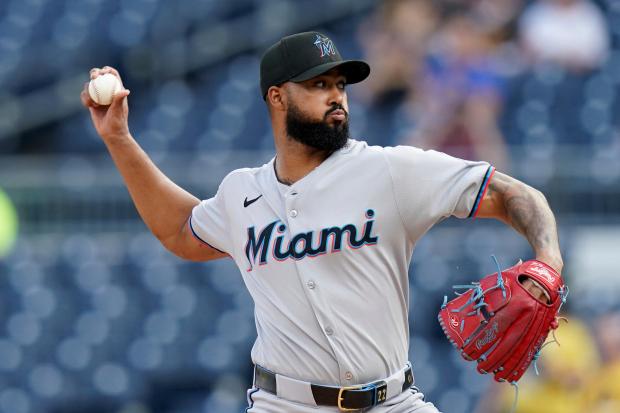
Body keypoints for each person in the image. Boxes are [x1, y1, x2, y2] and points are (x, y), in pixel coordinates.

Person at [81, 31, 563, 413]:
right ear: (277, 97)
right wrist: (119, 139)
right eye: (318, 85)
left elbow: (513, 194)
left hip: (392, 403)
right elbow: (180, 230)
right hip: (283, 405)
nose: (337, 97)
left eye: (339, 85)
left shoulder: (390, 170)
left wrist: (548, 260)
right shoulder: (241, 193)